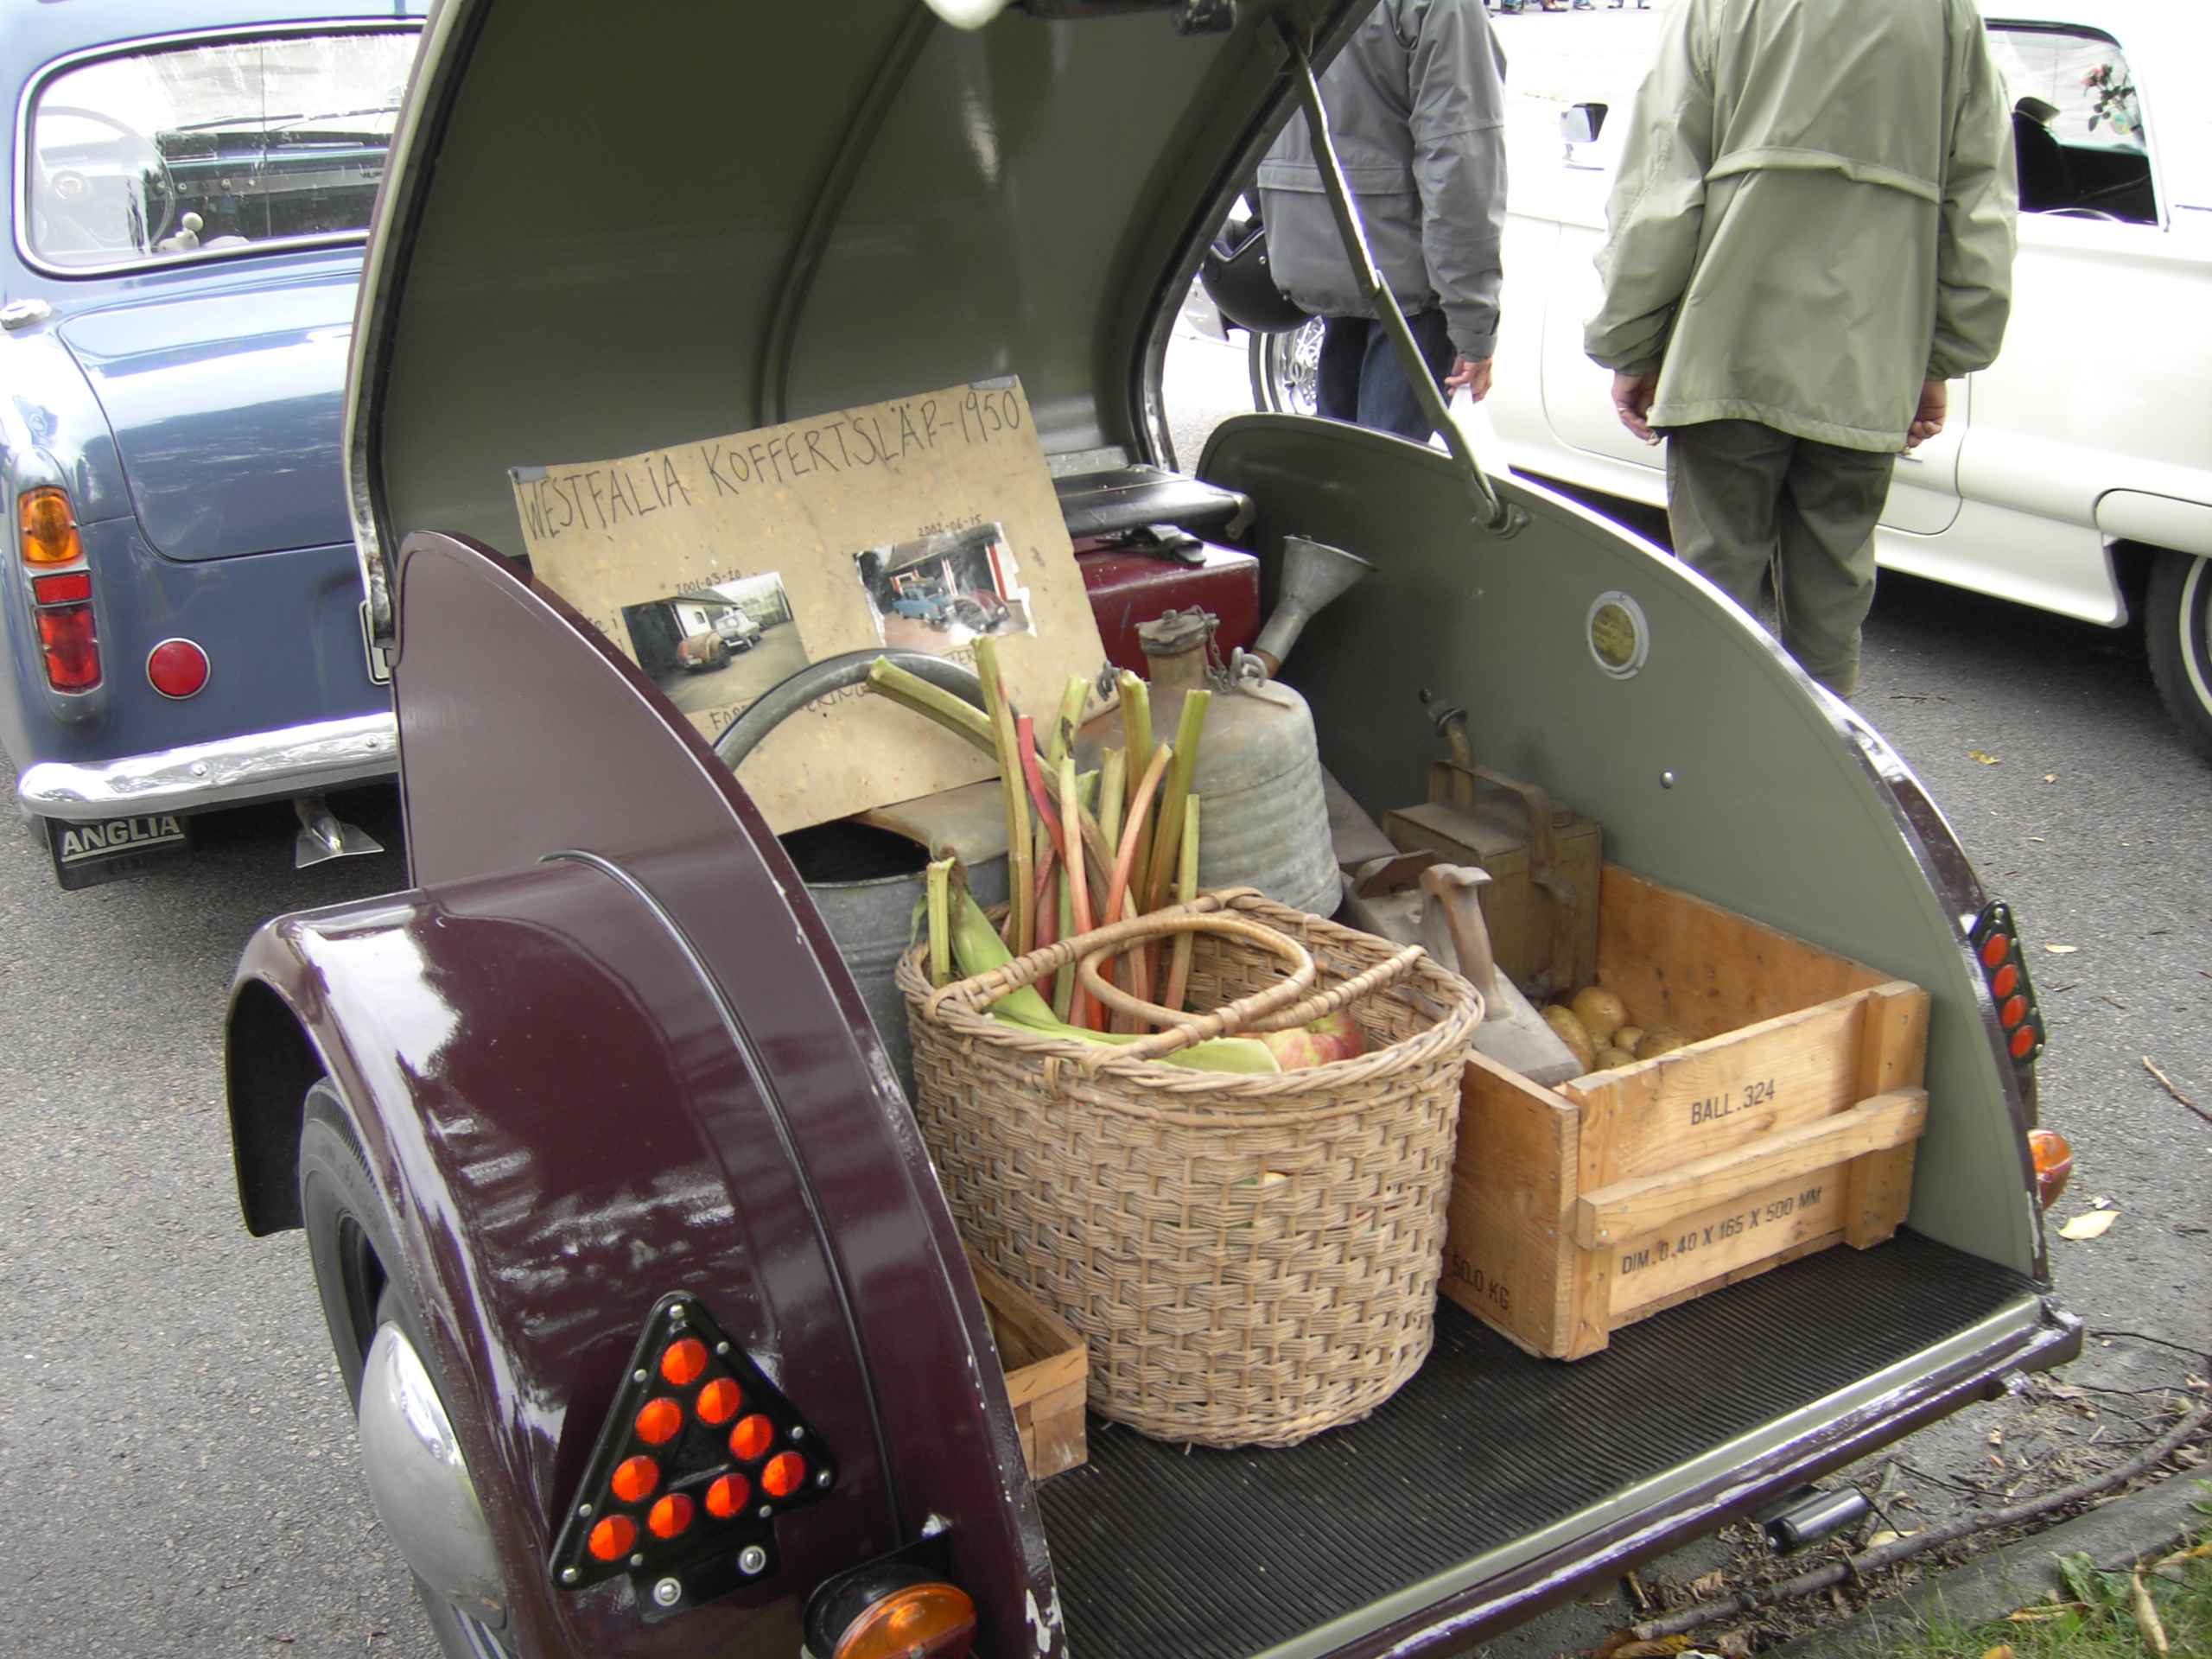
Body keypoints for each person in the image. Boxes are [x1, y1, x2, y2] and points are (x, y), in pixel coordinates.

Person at [1584, 0, 2015, 697]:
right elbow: (1981, 204)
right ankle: (1819, 762)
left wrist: (1631, 339)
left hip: (1728, 345)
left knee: (1713, 599)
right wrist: (1942, 356)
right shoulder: (1948, 14)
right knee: (1832, 610)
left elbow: (1660, 183)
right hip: (1870, 354)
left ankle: (1708, 761)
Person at [1258, 0, 1508, 442]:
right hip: (1404, 282)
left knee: (1336, 463)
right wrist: (1473, 326)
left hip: (1315, 249)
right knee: (1389, 471)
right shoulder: (1443, 7)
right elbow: (1461, 164)